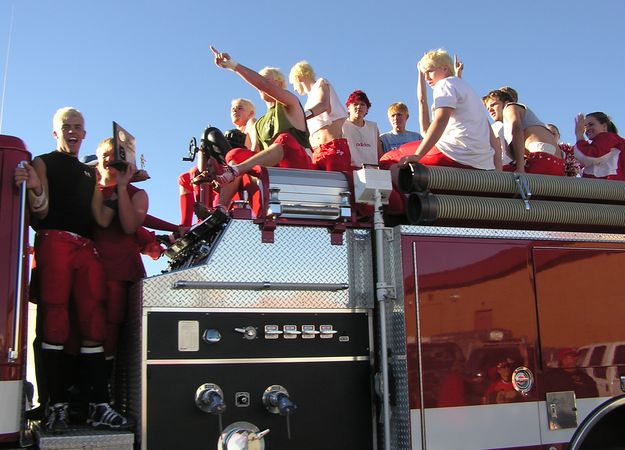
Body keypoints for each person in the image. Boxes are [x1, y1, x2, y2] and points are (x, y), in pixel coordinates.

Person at [13, 107, 126, 432]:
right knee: (56, 325)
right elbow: (41, 210)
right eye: (66, 127)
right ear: (55, 133)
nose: (73, 132)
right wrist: (34, 186)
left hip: (86, 249)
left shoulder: (90, 173)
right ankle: (56, 406)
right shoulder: (43, 162)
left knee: (94, 326)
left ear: (85, 133)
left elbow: (101, 219)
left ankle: (98, 406)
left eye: (78, 127)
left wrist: (123, 182)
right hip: (55, 243)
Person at [206, 46, 313, 208]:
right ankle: (220, 208)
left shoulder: (290, 104)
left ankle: (234, 171)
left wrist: (234, 66)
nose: (259, 84)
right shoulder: (260, 124)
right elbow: (255, 156)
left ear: (279, 83)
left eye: (265, 79)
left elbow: (265, 86)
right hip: (274, 175)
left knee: (284, 139)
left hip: (299, 171)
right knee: (235, 153)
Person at [381, 49, 495, 171]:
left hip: (454, 153)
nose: (426, 77)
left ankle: (406, 190)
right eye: (424, 73)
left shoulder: (444, 84)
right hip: (482, 161)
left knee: (387, 159)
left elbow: (440, 120)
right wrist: (497, 170)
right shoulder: (470, 92)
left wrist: (417, 155)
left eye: (430, 71)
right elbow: (493, 138)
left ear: (445, 69)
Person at [92, 138, 148, 385]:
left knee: (113, 335)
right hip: (87, 270)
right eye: (104, 154)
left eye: (114, 155)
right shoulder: (89, 189)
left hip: (120, 274)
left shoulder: (138, 194)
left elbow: (128, 225)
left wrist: (123, 186)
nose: (109, 159)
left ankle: (106, 394)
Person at [178, 98, 256, 226]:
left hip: (240, 164)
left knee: (211, 134)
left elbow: (254, 149)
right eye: (233, 109)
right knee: (185, 178)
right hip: (225, 166)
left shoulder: (251, 124)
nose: (235, 110)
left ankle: (207, 213)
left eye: (240, 108)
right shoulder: (230, 134)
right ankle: (186, 224)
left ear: (251, 113)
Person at [483, 89, 564, 175]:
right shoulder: (505, 127)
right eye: (488, 108)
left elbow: (516, 129)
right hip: (557, 166)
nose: (490, 110)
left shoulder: (510, 108)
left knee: (490, 176)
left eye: (494, 105)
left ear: (506, 103)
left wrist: (520, 168)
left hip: (543, 159)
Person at [289, 61, 351, 171]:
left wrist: (300, 116)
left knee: (334, 186)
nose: (294, 88)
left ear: (298, 77)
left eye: (293, 84)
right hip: (316, 152)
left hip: (332, 147)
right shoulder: (308, 102)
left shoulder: (321, 83)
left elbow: (323, 105)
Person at [573, 112, 625, 180]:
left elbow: (588, 156)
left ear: (604, 126)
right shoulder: (614, 141)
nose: (587, 129)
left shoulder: (607, 137)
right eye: (584, 126)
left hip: (609, 187)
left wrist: (579, 134)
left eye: (591, 125)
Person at [342, 90, 383, 169]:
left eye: (362, 104)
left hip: (373, 172)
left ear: (367, 109)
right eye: (355, 104)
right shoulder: (342, 125)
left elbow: (380, 153)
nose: (359, 107)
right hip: (351, 171)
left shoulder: (373, 127)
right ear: (348, 108)